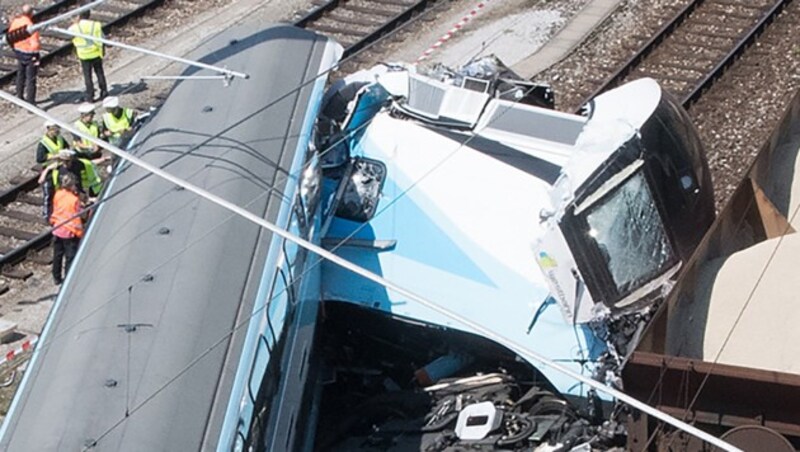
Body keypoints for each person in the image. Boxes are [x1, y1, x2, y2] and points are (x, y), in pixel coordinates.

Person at [50, 173, 85, 285]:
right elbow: (79, 215)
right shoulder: (74, 199)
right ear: (71, 185)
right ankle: (68, 280)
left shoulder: (58, 194)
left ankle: (56, 277)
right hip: (70, 232)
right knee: (70, 257)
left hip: (57, 228)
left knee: (57, 255)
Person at [68, 10, 107, 102]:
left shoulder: (75, 27)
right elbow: (103, 38)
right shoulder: (96, 25)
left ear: (79, 16)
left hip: (84, 54)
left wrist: (75, 23)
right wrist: (103, 49)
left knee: (87, 76)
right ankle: (104, 92)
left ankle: (90, 96)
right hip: (96, 52)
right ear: (89, 15)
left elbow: (68, 34)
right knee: (100, 73)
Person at [8, 5, 41, 104]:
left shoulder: (16, 21)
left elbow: (11, 35)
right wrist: (37, 56)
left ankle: (19, 97)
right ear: (31, 13)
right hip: (30, 54)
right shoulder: (31, 26)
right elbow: (35, 45)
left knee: (20, 74)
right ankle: (31, 102)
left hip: (18, 51)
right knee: (31, 79)